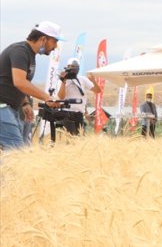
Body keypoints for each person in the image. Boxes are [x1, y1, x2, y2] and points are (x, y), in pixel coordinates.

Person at [0, 21, 65, 150]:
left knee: (12, 152)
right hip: (2, 107)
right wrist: (47, 97)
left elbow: (12, 82)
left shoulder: (29, 54)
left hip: (10, 108)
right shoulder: (20, 51)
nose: (55, 47)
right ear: (43, 39)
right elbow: (20, 82)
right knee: (17, 152)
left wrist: (25, 103)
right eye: (54, 41)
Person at [56, 58, 96, 136]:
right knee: (71, 137)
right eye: (69, 66)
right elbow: (61, 97)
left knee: (80, 138)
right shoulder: (62, 81)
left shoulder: (82, 79)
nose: (71, 69)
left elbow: (97, 90)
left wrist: (94, 81)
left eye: (73, 67)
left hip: (79, 113)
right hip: (67, 112)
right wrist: (63, 81)